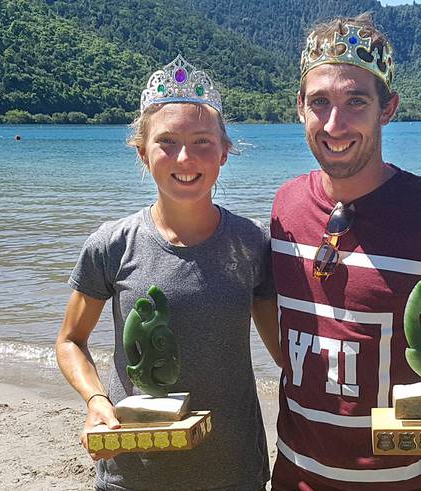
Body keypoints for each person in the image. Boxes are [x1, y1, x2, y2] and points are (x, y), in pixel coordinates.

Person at [270, 14, 421, 491]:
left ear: (388, 109)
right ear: (299, 107)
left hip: (409, 481)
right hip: (293, 475)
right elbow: (277, 317)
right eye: (319, 102)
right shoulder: (285, 207)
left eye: (356, 102)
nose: (334, 123)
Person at [56, 54, 282, 491]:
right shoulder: (112, 244)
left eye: (202, 141)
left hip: (233, 467)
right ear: (142, 154)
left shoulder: (252, 243)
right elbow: (70, 341)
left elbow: (285, 354)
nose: (185, 157)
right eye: (167, 142)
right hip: (133, 468)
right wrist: (96, 400)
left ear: (224, 153)